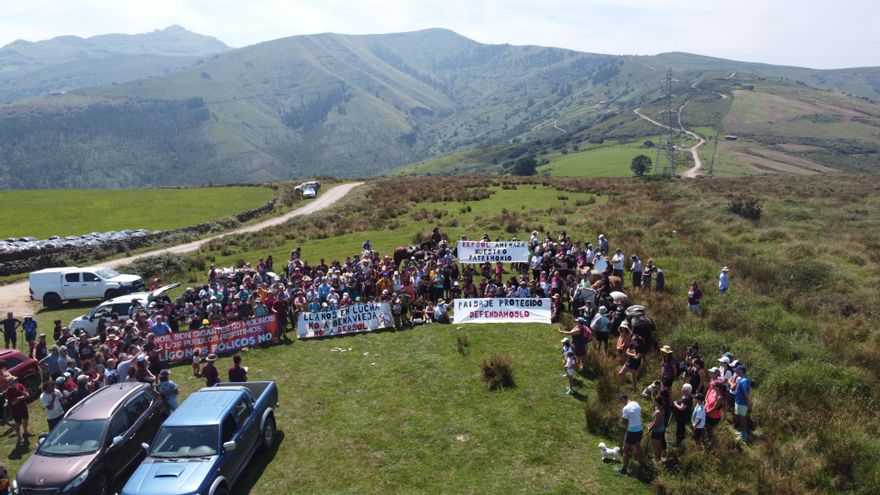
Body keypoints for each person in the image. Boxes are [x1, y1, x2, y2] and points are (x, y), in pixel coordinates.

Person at [616, 393, 644, 475]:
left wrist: (624, 422)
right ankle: (640, 466)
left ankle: (624, 469)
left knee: (625, 449)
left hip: (631, 431)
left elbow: (623, 422)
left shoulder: (626, 408)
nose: (622, 403)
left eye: (621, 401)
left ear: (623, 399)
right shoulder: (636, 403)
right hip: (639, 429)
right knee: (638, 447)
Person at [5, 375, 30, 445]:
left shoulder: (20, 385)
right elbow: (13, 403)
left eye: (16, 379)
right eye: (14, 380)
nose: (16, 381)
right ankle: (19, 438)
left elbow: (27, 395)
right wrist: (22, 397)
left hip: (23, 407)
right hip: (15, 410)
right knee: (17, 423)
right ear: (10, 383)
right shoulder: (8, 392)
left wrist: (19, 398)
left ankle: (25, 433)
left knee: (26, 419)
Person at [731, 365, 752, 441]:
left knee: (743, 419)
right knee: (739, 417)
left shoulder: (744, 381)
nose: (736, 372)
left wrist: (749, 403)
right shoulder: (741, 379)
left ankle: (744, 435)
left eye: (737, 371)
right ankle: (742, 432)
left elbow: (746, 393)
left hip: (742, 403)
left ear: (741, 372)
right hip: (738, 401)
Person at [647, 396, 667, 463]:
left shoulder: (658, 411)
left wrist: (650, 428)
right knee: (659, 445)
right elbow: (654, 420)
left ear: (656, 402)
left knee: (656, 447)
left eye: (654, 401)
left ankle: (657, 460)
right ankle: (659, 459)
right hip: (661, 430)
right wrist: (650, 424)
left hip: (657, 431)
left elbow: (656, 423)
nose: (653, 402)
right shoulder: (659, 408)